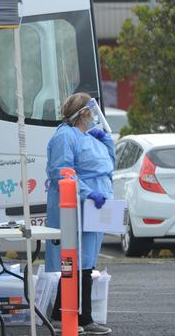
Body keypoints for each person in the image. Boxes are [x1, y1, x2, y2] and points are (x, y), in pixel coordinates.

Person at [45, 92, 114, 335]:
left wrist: (107, 142)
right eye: (91, 111)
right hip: (76, 204)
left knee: (86, 262)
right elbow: (62, 172)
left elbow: (108, 166)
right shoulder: (65, 136)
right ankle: (69, 316)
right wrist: (87, 192)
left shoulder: (89, 137)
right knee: (72, 260)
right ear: (82, 113)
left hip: (95, 205)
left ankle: (80, 317)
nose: (95, 116)